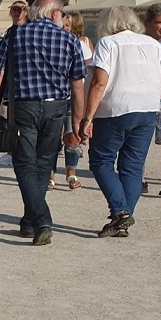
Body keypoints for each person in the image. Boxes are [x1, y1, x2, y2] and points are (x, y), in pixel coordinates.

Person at [0, 0, 86, 246]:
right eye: (62, 13)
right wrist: (78, 121)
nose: (63, 17)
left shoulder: (15, 34)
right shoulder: (69, 39)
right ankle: (31, 221)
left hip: (24, 107)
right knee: (43, 163)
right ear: (53, 14)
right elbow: (77, 85)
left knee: (24, 164)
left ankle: (40, 220)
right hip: (56, 107)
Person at [78, 6, 161, 238]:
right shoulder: (152, 44)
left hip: (115, 109)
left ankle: (120, 211)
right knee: (133, 166)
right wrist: (155, 96)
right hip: (147, 108)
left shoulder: (108, 43)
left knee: (101, 160)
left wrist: (88, 117)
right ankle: (122, 218)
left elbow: (99, 82)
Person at [50, 13, 90, 191]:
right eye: (64, 25)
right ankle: (50, 175)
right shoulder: (53, 41)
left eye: (68, 26)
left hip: (74, 96)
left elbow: (89, 70)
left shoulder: (81, 44)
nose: (66, 28)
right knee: (52, 137)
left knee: (72, 135)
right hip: (56, 94)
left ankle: (71, 173)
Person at [0, 1, 30, 167]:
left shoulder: (12, 34)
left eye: (19, 9)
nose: (15, 12)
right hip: (35, 90)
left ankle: (13, 154)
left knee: (13, 124)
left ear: (26, 12)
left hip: (15, 89)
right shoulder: (33, 32)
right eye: (13, 9)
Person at [143, 3, 161, 196]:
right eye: (159, 22)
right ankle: (139, 177)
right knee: (140, 140)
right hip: (143, 98)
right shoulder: (139, 41)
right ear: (148, 23)